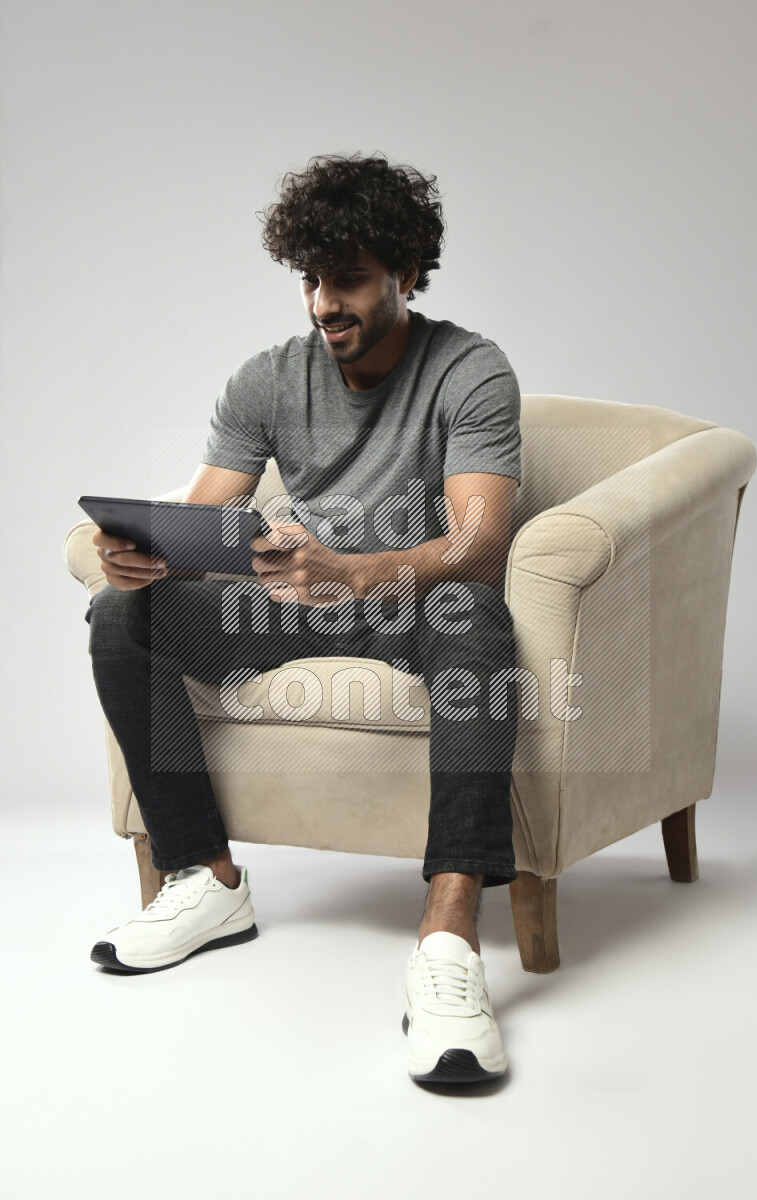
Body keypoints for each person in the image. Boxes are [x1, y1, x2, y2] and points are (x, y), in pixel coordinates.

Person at [85, 153, 522, 1085]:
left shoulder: (471, 370)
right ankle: (204, 878)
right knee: (122, 617)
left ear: (406, 273)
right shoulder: (266, 379)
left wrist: (355, 573)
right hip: (289, 603)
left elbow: (480, 544)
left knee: (478, 621)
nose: (326, 302)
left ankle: (448, 940)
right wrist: (139, 556)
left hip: (408, 603)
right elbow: (202, 526)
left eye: (351, 278)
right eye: (313, 280)